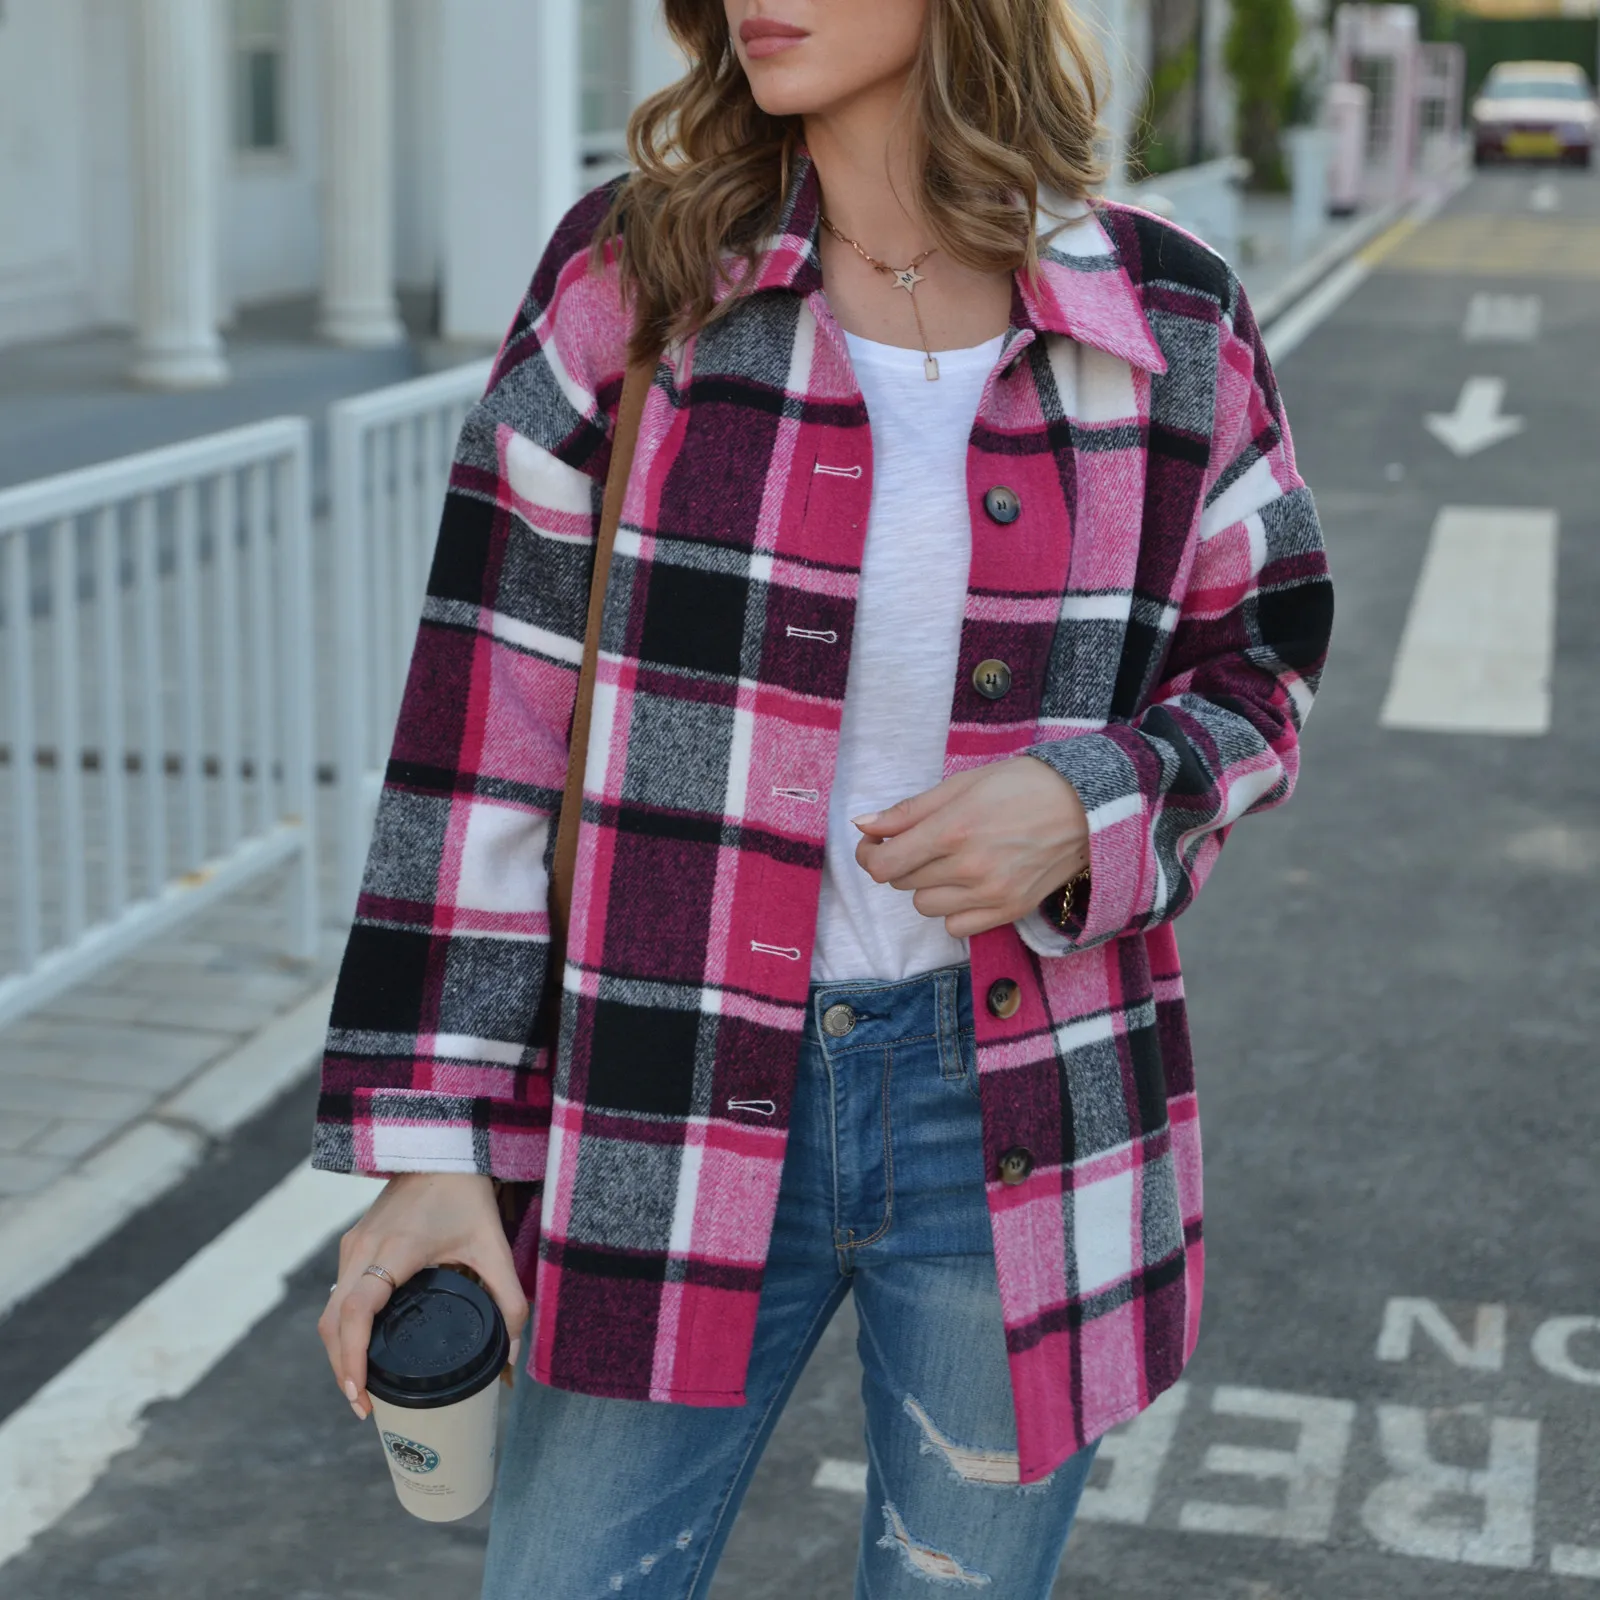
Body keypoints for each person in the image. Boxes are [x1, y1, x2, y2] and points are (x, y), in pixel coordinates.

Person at [315, 1, 1333, 1593]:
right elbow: (482, 728)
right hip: (662, 1094)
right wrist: (436, 1144)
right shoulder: (632, 278)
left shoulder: (1165, 311)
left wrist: (1090, 806)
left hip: (1019, 1108)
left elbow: (1263, 660)